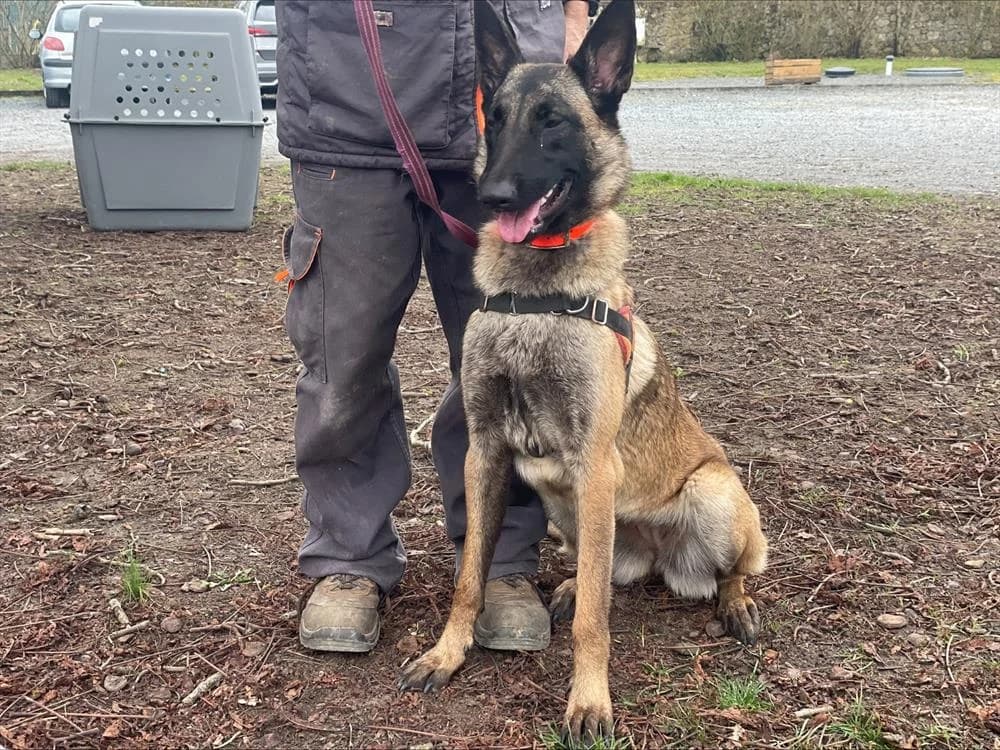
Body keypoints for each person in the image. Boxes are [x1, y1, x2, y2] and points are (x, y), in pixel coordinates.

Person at [275, 0, 595, 654]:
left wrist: (574, 12)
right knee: (344, 353)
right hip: (347, 91)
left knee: (515, 359)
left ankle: (501, 557)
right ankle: (348, 553)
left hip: (502, 100)